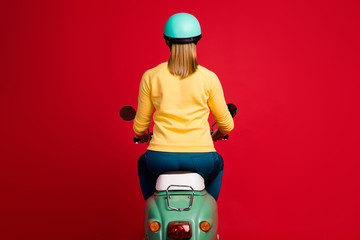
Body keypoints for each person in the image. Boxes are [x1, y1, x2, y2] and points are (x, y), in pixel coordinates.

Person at [133, 13, 234, 201]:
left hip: (159, 159)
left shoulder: (151, 76)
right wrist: (218, 133)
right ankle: (206, 213)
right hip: (201, 159)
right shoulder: (209, 78)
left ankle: (153, 213)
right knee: (218, 164)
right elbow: (227, 126)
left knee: (143, 165)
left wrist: (142, 135)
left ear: (167, 42)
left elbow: (139, 127)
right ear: (197, 42)